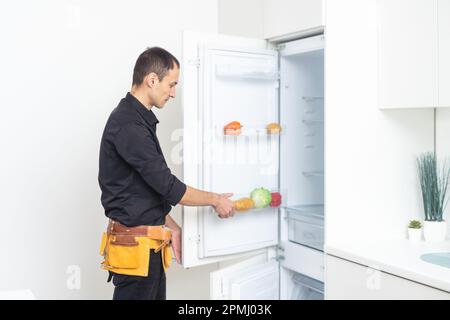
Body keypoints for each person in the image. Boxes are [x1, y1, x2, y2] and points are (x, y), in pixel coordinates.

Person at [98, 47, 235, 300]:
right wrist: (215, 199)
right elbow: (167, 185)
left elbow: (146, 188)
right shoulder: (129, 125)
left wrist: (172, 226)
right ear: (152, 80)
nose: (173, 93)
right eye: (171, 85)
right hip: (136, 249)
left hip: (148, 246)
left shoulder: (138, 119)